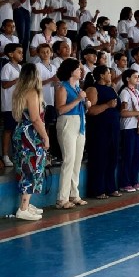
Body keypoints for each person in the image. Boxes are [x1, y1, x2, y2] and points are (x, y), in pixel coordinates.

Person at [11, 63, 49, 221]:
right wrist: (45, 137)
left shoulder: (19, 92)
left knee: (25, 168)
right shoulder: (32, 92)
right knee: (31, 169)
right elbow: (35, 119)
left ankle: (26, 204)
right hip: (31, 136)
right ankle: (23, 208)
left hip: (21, 133)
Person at [55, 58, 90, 209]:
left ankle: (74, 194)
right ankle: (62, 198)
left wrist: (85, 104)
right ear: (71, 71)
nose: (81, 71)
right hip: (67, 122)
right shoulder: (62, 88)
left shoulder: (77, 87)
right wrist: (78, 100)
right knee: (69, 160)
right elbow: (60, 109)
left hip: (79, 122)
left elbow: (79, 104)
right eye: (78, 69)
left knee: (77, 160)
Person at [85, 65, 121, 199]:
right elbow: (90, 110)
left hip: (113, 129)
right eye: (108, 73)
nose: (111, 75)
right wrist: (107, 105)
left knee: (112, 158)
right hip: (99, 130)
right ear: (101, 75)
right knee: (100, 159)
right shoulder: (93, 89)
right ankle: (97, 189)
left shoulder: (111, 89)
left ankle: (110, 187)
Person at [118, 69, 139, 192]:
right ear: (127, 79)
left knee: (136, 155)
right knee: (128, 155)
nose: (137, 78)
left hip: (137, 126)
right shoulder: (125, 92)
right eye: (135, 76)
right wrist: (138, 113)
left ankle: (134, 180)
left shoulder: (138, 92)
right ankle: (124, 182)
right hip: (128, 127)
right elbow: (123, 112)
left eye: (138, 76)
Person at [1, 43, 23, 168]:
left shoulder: (20, 67)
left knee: (17, 130)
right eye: (19, 52)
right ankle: (5, 155)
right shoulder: (7, 67)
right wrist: (16, 81)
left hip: (18, 105)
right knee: (8, 130)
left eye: (22, 52)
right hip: (9, 105)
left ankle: (16, 154)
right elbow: (4, 85)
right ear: (10, 54)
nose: (21, 54)